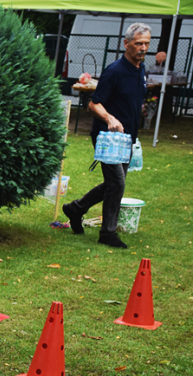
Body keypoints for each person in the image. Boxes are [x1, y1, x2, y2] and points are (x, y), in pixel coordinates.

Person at [63, 23, 150, 249]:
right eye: (138, 43)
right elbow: (94, 104)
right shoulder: (115, 71)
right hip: (107, 137)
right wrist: (110, 118)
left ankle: (76, 209)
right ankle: (107, 233)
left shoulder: (141, 69)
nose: (143, 48)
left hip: (127, 137)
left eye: (146, 44)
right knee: (117, 184)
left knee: (114, 183)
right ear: (126, 43)